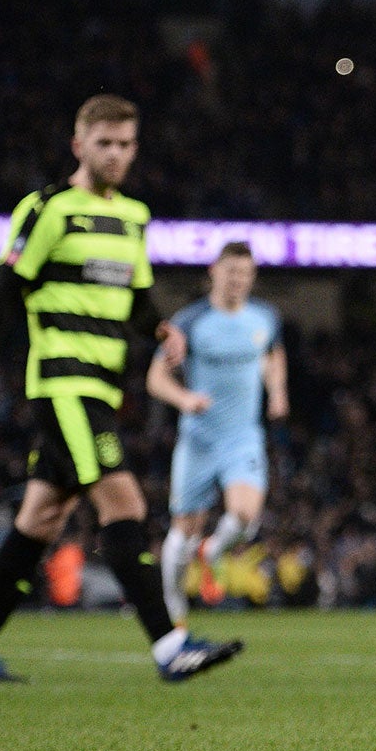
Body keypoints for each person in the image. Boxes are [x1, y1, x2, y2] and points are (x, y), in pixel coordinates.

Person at [0, 95, 242, 683]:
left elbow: (134, 302)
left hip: (102, 386)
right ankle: (170, 646)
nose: (116, 155)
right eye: (104, 144)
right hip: (63, 384)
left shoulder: (134, 217)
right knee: (125, 503)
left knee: (40, 517)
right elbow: (2, 294)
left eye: (125, 145)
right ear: (79, 145)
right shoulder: (47, 210)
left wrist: (161, 329)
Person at [148, 241, 289, 623]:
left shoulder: (264, 318)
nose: (237, 281)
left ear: (252, 277)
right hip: (199, 438)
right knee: (185, 528)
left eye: (244, 274)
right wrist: (184, 399)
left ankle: (213, 552)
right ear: (214, 271)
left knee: (245, 514)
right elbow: (156, 378)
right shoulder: (191, 321)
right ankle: (173, 602)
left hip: (243, 436)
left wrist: (277, 392)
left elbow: (274, 356)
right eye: (231, 272)